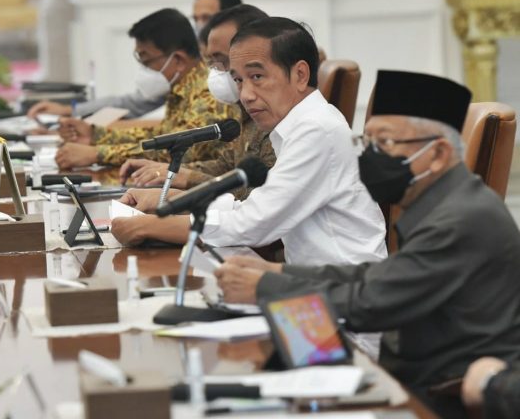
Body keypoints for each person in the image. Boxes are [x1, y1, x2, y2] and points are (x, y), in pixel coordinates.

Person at [213, 70, 520, 418]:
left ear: (437, 154)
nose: (371, 157)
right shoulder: (444, 202)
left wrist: (266, 286)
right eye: (368, 142)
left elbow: (372, 302)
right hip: (408, 377)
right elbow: (379, 276)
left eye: (385, 143)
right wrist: (277, 271)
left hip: (439, 396)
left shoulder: (462, 218)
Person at [111, 17, 386, 269]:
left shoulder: (317, 130)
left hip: (346, 298)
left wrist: (148, 226)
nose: (246, 95)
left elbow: (253, 224)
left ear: (300, 75)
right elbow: (252, 207)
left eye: (257, 77)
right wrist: (171, 199)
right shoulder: (300, 124)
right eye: (239, 80)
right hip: (317, 284)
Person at [119, 4, 276, 200]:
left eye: (222, 61)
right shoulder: (245, 109)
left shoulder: (274, 117)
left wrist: (185, 183)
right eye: (211, 62)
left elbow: (256, 198)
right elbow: (227, 164)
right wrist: (172, 172)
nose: (216, 72)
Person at [54, 8, 238, 169]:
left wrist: (97, 153)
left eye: (147, 61)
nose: (144, 70)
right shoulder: (181, 88)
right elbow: (160, 136)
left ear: (178, 60)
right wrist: (95, 135)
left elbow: (178, 152)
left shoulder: (207, 94)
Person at [28, 0, 242, 120]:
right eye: (195, 19)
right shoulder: (182, 68)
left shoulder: (223, 72)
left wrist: (96, 144)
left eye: (206, 18)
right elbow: (133, 105)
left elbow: (179, 143)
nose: (199, 27)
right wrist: (75, 113)